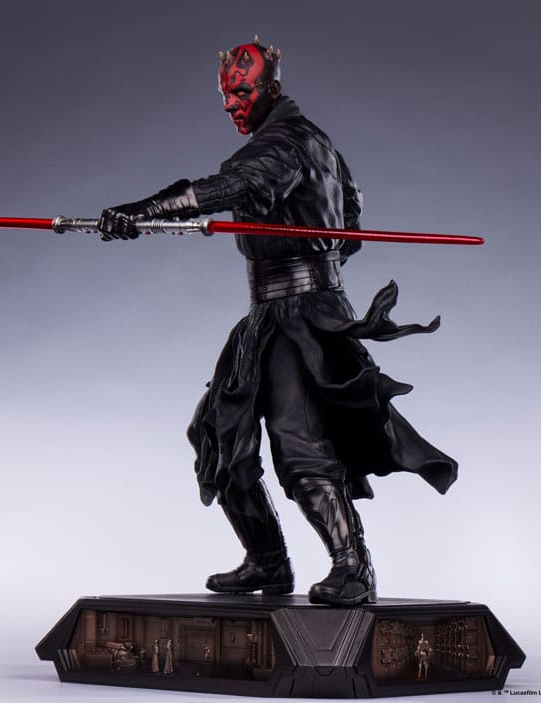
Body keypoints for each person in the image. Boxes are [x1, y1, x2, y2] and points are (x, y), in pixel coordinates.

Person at [99, 37, 457, 607]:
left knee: (300, 443)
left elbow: (225, 189)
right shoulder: (317, 144)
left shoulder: (284, 144)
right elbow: (351, 221)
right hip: (271, 314)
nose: (230, 103)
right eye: (226, 93)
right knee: (218, 433)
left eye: (240, 92)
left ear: (271, 88)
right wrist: (315, 257)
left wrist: (141, 213)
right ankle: (267, 559)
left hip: (300, 317)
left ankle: (353, 569)